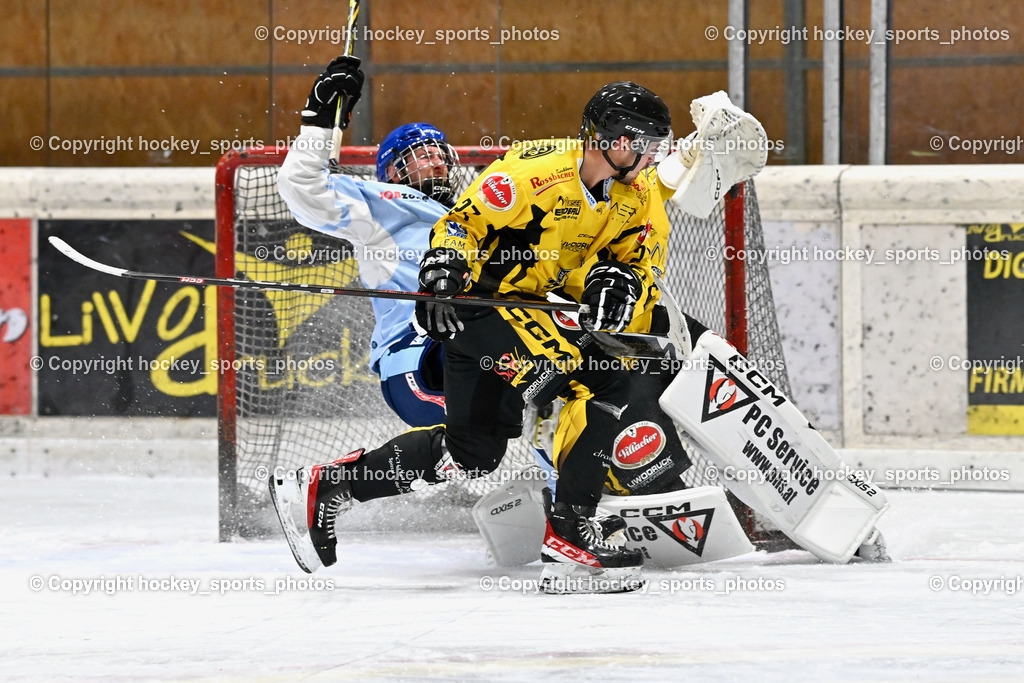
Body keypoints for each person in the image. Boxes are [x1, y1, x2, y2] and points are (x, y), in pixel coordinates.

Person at [272, 77, 684, 593]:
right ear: (612, 139)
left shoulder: (631, 195)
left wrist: (624, 283)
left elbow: (636, 263)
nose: (431, 166)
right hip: (456, 327)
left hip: (491, 325)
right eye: (645, 145)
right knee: (603, 378)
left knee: (475, 451)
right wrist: (441, 268)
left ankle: (327, 486)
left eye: (435, 154)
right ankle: (572, 531)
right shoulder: (505, 178)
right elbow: (456, 228)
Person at [277, 55, 468, 428]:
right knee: (481, 416)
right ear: (394, 169)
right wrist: (318, 119)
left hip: (473, 347)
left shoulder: (471, 215)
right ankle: (336, 484)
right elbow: (302, 186)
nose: (439, 163)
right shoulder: (381, 202)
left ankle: (550, 485)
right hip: (416, 358)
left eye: (442, 155)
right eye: (425, 155)